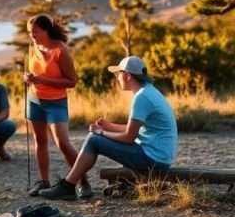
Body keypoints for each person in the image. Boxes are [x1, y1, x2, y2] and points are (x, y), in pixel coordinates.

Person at [40, 56, 178, 201]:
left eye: (118, 74)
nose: (117, 77)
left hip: (153, 161)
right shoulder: (148, 91)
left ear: (127, 75)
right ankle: (70, 184)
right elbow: (134, 130)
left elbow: (129, 137)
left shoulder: (142, 98)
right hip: (158, 157)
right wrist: (109, 126)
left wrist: (102, 132)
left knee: (94, 140)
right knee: (95, 138)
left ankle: (68, 186)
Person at [23, 14, 83, 197]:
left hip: (56, 103)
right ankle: (44, 182)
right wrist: (27, 78)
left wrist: (41, 80)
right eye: (30, 33)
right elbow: (32, 70)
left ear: (46, 30)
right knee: (40, 141)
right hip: (35, 100)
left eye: (35, 32)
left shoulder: (60, 50)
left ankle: (82, 180)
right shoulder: (33, 45)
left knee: (62, 143)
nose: (32, 36)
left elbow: (72, 81)